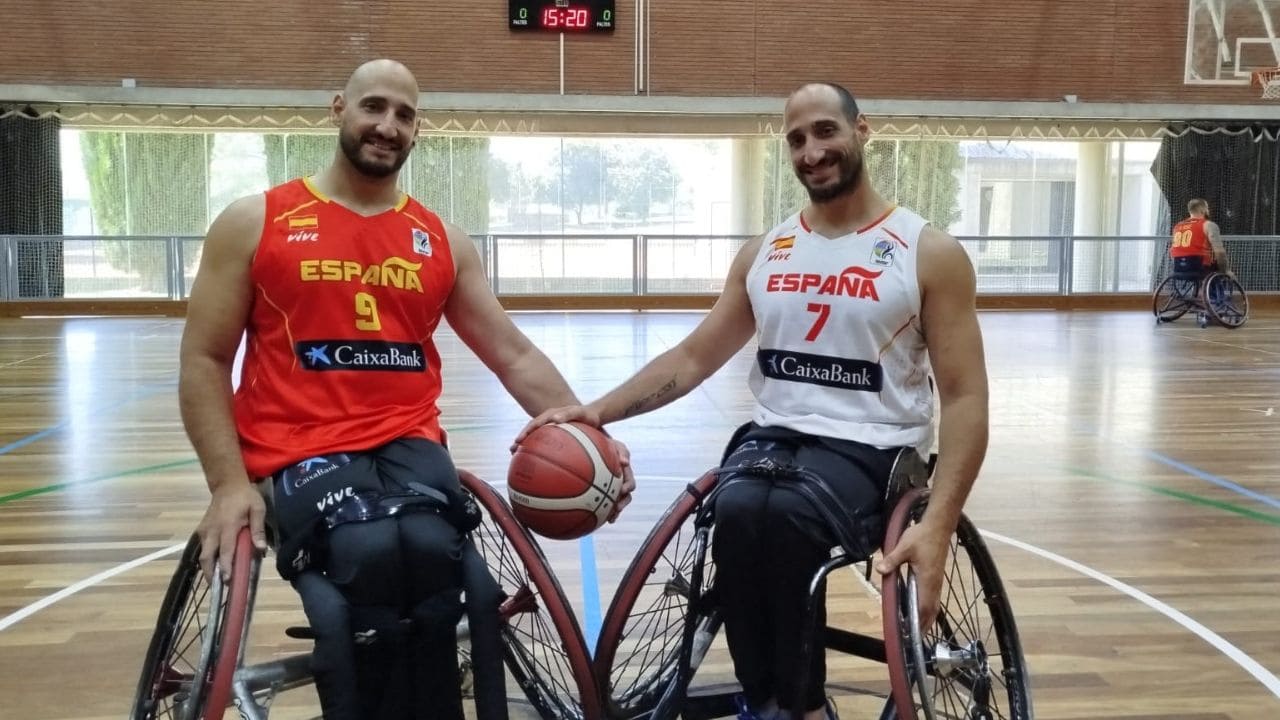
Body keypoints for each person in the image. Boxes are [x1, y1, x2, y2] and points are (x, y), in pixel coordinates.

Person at [178, 58, 634, 720]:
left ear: (418, 128)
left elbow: (512, 352)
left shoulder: (440, 239)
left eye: (404, 114)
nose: (387, 125)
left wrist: (593, 442)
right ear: (340, 108)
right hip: (294, 450)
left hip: (407, 444)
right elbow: (204, 358)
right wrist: (226, 483)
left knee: (443, 562)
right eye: (374, 107)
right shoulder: (258, 221)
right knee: (367, 556)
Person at [517, 82, 989, 720]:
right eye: (796, 139)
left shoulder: (926, 252)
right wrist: (599, 411)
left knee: (786, 518)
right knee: (736, 510)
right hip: (775, 441)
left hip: (876, 451)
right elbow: (691, 358)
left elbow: (964, 401)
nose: (811, 151)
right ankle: (770, 699)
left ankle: (798, 706)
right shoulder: (767, 251)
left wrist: (936, 529)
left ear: (862, 130)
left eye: (825, 131)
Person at [1170, 198, 1230, 276]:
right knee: (1220, 267)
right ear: (1203, 210)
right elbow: (1219, 252)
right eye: (1207, 208)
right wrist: (1226, 270)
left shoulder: (1177, 226)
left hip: (1178, 266)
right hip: (1199, 266)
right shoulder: (1208, 225)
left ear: (1190, 210)